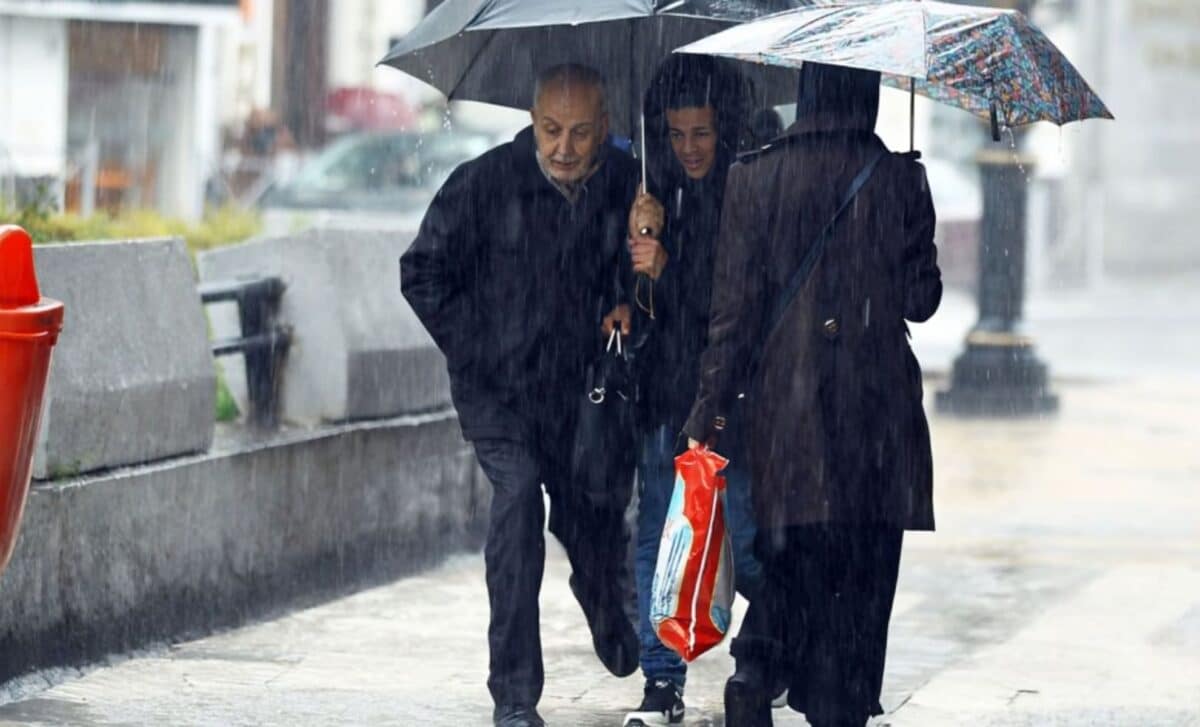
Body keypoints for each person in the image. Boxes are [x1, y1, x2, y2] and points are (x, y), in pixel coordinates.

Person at [683, 62, 943, 727]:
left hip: (786, 413)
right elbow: (922, 300)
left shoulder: (753, 175)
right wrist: (911, 214)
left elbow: (732, 317)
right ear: (867, 95)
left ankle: (755, 670)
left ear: (806, 93)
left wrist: (709, 409)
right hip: (875, 414)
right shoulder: (898, 178)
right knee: (860, 574)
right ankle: (837, 702)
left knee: (791, 557)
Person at [400, 64, 641, 727]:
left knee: (592, 514)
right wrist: (480, 347)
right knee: (518, 505)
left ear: (605, 129)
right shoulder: (484, 183)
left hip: (580, 394)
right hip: (498, 395)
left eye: (581, 133)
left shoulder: (629, 184)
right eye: (551, 129)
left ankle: (606, 603)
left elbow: (645, 278)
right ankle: (513, 693)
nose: (564, 148)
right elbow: (420, 271)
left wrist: (632, 291)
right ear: (532, 121)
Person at [622, 56, 766, 727]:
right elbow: (638, 304)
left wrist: (668, 266)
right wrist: (639, 246)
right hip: (663, 395)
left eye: (701, 133)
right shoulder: (651, 188)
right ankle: (661, 679)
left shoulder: (745, 189)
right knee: (658, 536)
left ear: (723, 128)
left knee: (747, 538)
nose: (689, 148)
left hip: (729, 397)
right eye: (677, 134)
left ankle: (768, 654)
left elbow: (727, 303)